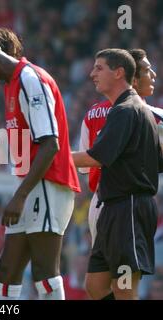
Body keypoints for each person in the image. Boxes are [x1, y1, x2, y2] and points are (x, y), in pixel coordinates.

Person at [0, 34, 81, 300]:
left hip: (48, 183)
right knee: (7, 269)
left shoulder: (30, 78)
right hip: (30, 183)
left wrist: (20, 196)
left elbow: (50, 144)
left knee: (45, 271)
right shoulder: (12, 84)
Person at [72, 48, 163, 300]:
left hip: (128, 206)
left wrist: (52, 157)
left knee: (124, 289)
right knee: (95, 285)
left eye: (99, 68)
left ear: (119, 72)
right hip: (112, 206)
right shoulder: (139, 112)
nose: (92, 74)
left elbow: (93, 159)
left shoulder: (124, 110)